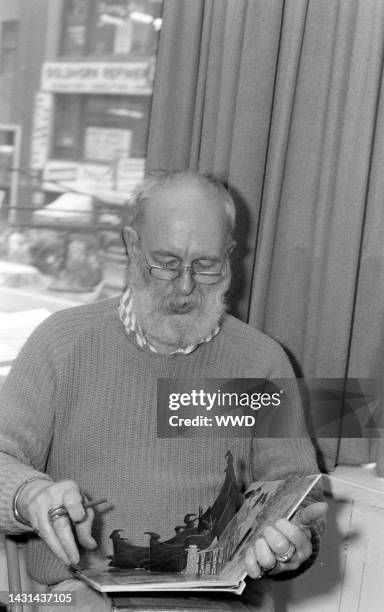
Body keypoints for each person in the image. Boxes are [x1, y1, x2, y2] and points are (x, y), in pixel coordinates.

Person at [0, 171, 327, 611]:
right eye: (167, 262)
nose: (187, 285)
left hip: (211, 602)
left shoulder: (261, 364)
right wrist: (29, 494)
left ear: (230, 256)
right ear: (132, 246)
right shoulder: (62, 344)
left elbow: (296, 499)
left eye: (205, 264)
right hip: (75, 596)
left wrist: (293, 545)